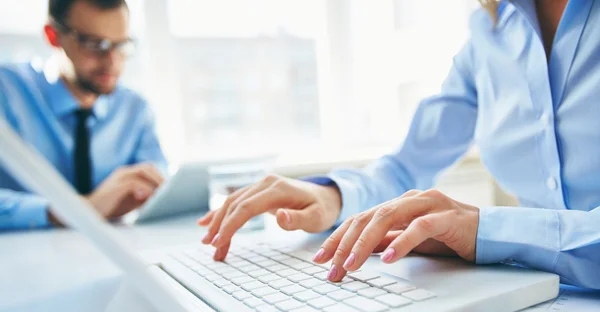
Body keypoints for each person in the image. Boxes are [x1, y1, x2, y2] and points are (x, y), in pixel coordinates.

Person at [199, 0, 600, 290]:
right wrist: (333, 196)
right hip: (547, 301)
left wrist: (488, 230)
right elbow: (408, 167)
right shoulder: (490, 32)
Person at [0, 0, 166, 231]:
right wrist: (77, 210)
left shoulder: (134, 109)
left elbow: (159, 180)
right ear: (53, 36)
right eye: (95, 44)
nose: (112, 61)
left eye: (121, 45)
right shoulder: (7, 92)